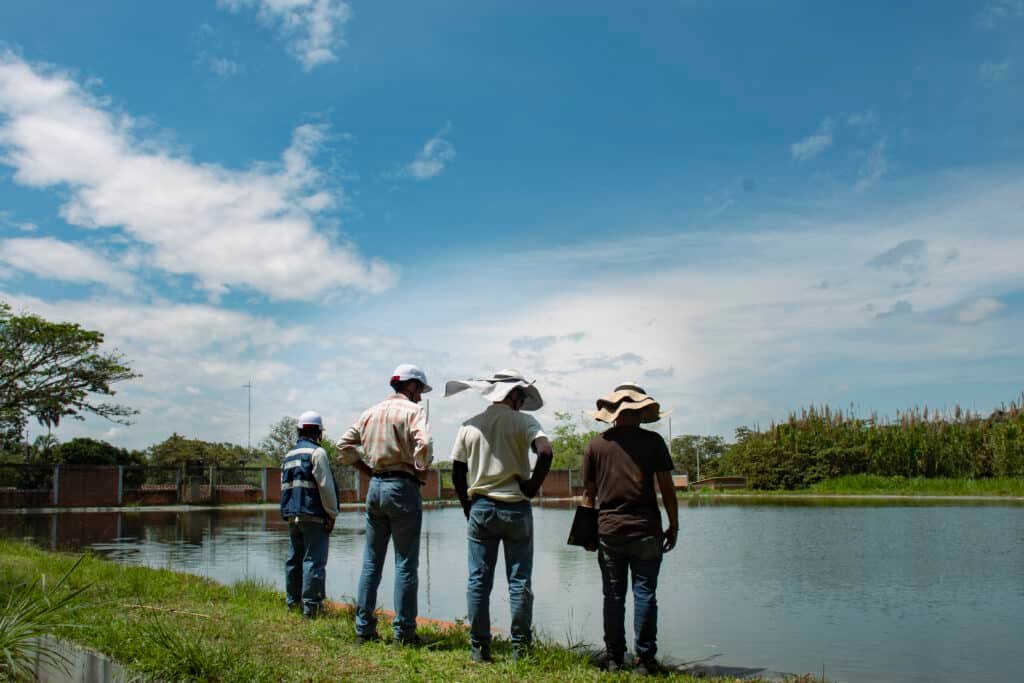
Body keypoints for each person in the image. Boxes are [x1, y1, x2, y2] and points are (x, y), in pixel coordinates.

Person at [447, 369, 553, 662]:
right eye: (521, 396)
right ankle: (521, 648)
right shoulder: (525, 422)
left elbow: (457, 471)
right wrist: (531, 487)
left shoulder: (469, 425)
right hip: (516, 507)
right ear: (515, 395)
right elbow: (544, 452)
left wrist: (468, 507)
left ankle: (479, 649)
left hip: (481, 507)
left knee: (479, 580)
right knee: (519, 582)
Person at [581, 383, 679, 675]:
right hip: (646, 530)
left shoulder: (596, 445)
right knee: (645, 593)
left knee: (613, 596)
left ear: (612, 413)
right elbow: (666, 487)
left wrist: (586, 534)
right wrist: (674, 525)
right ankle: (645, 661)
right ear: (640, 412)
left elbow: (589, 495)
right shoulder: (654, 442)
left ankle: (614, 659)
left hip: (609, 531)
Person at [337, 364, 434, 645]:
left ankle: (363, 629)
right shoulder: (414, 411)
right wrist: (420, 468)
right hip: (402, 487)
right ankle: (404, 633)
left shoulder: (370, 412)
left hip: (376, 487)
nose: (420, 397)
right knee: (405, 564)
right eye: (420, 390)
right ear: (412, 386)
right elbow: (424, 442)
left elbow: (343, 445)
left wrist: (367, 470)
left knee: (371, 563)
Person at [281, 410, 340, 618]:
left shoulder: (289, 455)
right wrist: (332, 514)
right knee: (314, 561)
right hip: (313, 515)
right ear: (319, 433)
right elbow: (326, 487)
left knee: (294, 560)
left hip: (292, 515)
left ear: (299, 431)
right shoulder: (317, 453)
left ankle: (292, 604)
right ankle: (312, 608)